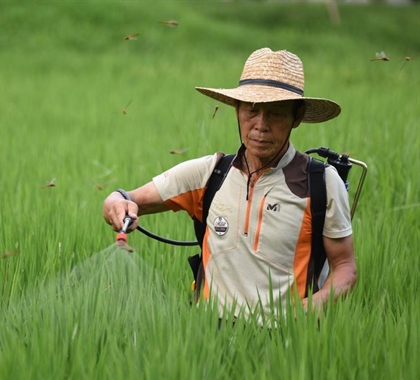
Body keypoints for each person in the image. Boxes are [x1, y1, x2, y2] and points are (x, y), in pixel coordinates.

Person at [102, 48, 357, 324]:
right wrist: (116, 203)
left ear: (296, 117)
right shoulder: (210, 174)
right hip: (209, 336)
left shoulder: (321, 183)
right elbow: (126, 198)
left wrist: (307, 311)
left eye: (276, 113)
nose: (260, 125)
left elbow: (345, 267)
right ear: (237, 109)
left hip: (284, 340)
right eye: (252, 110)